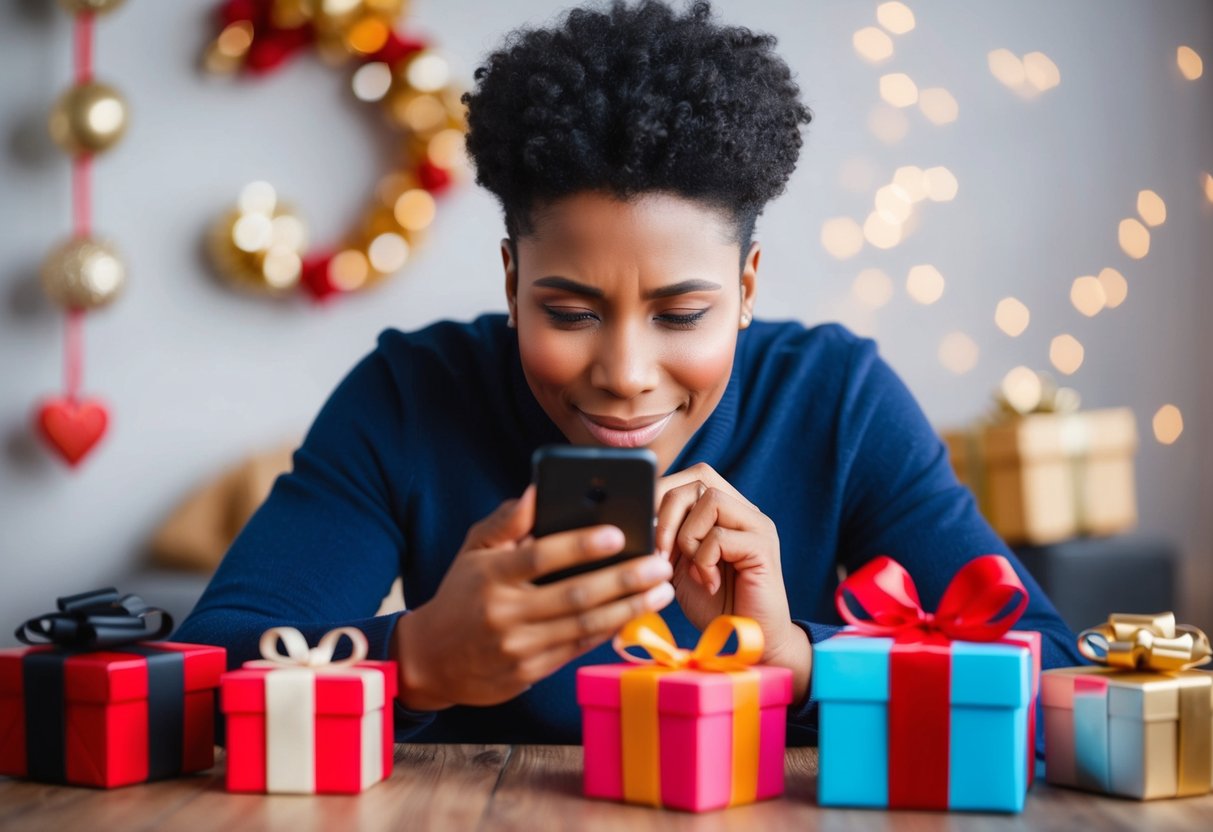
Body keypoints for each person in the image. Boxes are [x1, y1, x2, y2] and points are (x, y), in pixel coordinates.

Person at [175, 0, 1082, 747]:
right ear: (511, 280)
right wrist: (417, 661)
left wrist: (793, 658)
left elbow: (1055, 680)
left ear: (745, 287)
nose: (624, 374)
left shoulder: (835, 398)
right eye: (567, 312)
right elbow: (195, 685)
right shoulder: (410, 394)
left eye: (683, 315)